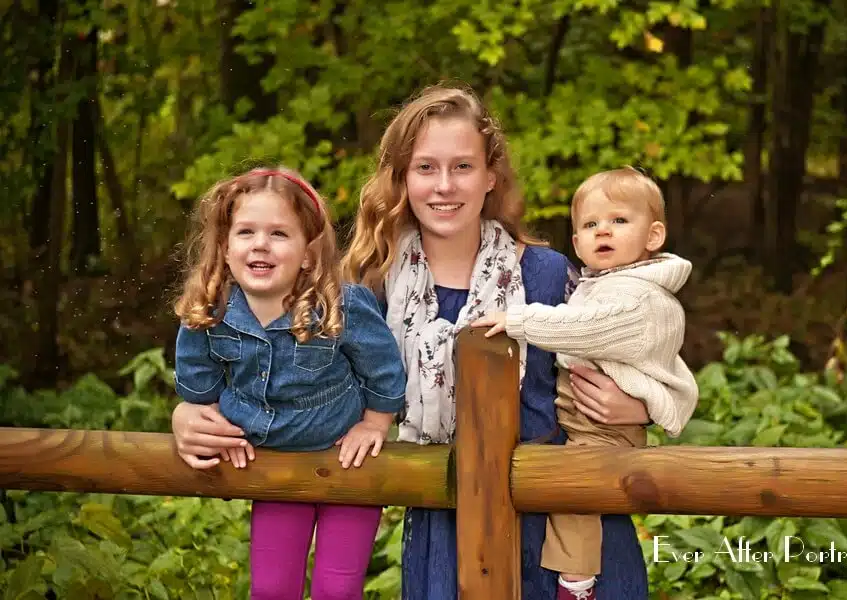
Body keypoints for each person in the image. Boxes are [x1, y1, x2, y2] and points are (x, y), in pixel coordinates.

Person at [170, 85, 651, 599]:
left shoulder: (546, 273)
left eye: (462, 167)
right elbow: (282, 378)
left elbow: (642, 358)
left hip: (558, 524)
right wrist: (187, 414)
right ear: (401, 177)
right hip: (441, 512)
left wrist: (636, 405)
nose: (444, 186)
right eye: (425, 168)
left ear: (491, 176)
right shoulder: (366, 286)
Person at [172, 167, 406, 600]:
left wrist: (375, 423)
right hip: (272, 467)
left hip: (346, 463)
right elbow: (196, 388)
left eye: (279, 233)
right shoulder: (211, 311)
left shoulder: (339, 304)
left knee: (337, 590)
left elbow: (385, 370)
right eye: (246, 232)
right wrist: (200, 418)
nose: (260, 243)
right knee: (271, 588)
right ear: (224, 248)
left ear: (307, 253)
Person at [473, 167, 698, 600]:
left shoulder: (639, 298)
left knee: (573, 490)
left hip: (602, 429)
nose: (603, 231)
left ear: (653, 236)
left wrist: (518, 319)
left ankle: (576, 585)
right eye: (590, 225)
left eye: (618, 221)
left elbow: (584, 328)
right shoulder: (607, 284)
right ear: (576, 243)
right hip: (584, 416)